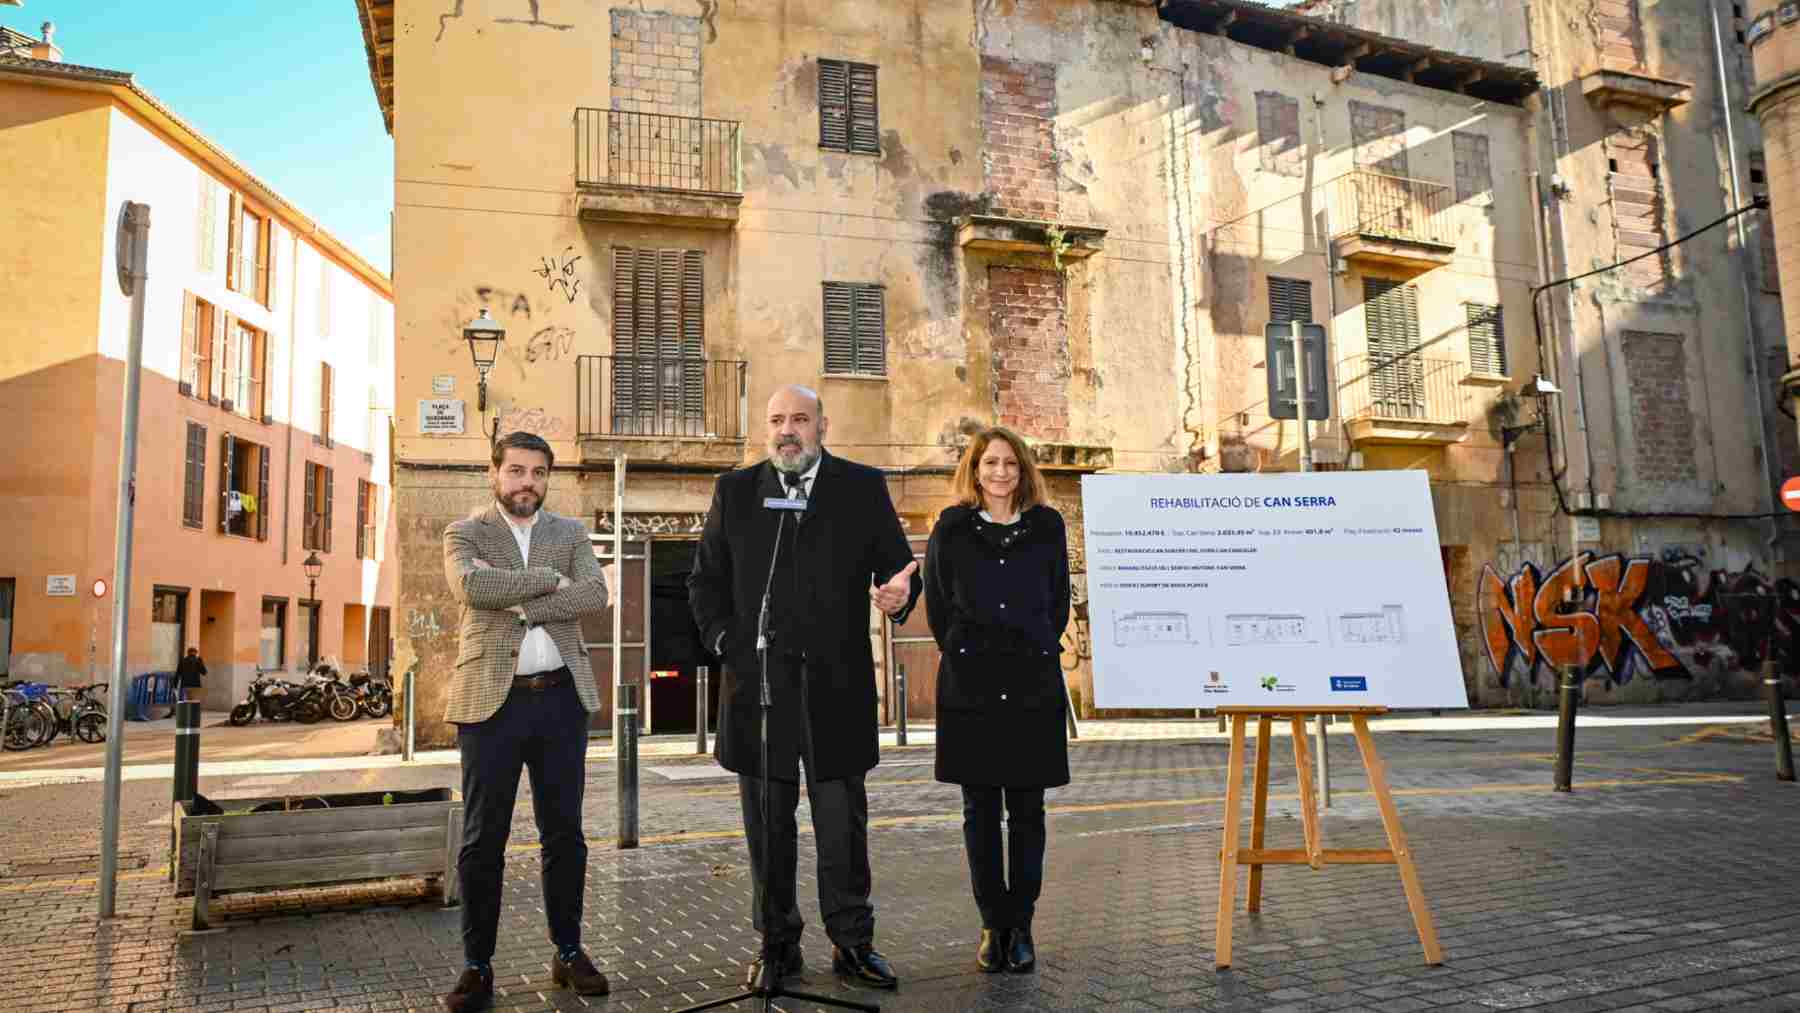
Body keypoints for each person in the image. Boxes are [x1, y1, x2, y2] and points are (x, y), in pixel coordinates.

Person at [688, 384, 923, 992]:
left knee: (843, 827)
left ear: (822, 424)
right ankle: (777, 946)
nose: (787, 430)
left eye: (799, 419)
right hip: (759, 692)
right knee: (767, 829)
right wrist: (725, 645)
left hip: (835, 691)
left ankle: (853, 943)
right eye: (776, 420)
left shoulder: (861, 487)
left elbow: (898, 568)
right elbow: (705, 583)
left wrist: (900, 598)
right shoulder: (735, 492)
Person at [439, 431, 617, 1012]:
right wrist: (546, 581)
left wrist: (517, 600)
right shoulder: (465, 533)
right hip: (491, 704)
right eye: (517, 471)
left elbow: (593, 594)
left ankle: (568, 952)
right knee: (482, 838)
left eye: (538, 473)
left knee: (564, 834)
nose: (528, 483)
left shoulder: (567, 532)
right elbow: (471, 585)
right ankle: (477, 966)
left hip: (561, 699)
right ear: (495, 473)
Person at [924, 426, 1071, 975]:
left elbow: (1058, 600)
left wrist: (1029, 646)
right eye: (990, 462)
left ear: (1023, 470)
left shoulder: (1046, 527)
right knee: (980, 812)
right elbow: (938, 606)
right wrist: (967, 649)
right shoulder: (953, 528)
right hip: (972, 687)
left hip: (1032, 686)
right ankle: (992, 924)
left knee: (1028, 812)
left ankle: (1022, 925)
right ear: (975, 469)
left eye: (1010, 462)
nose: (1001, 472)